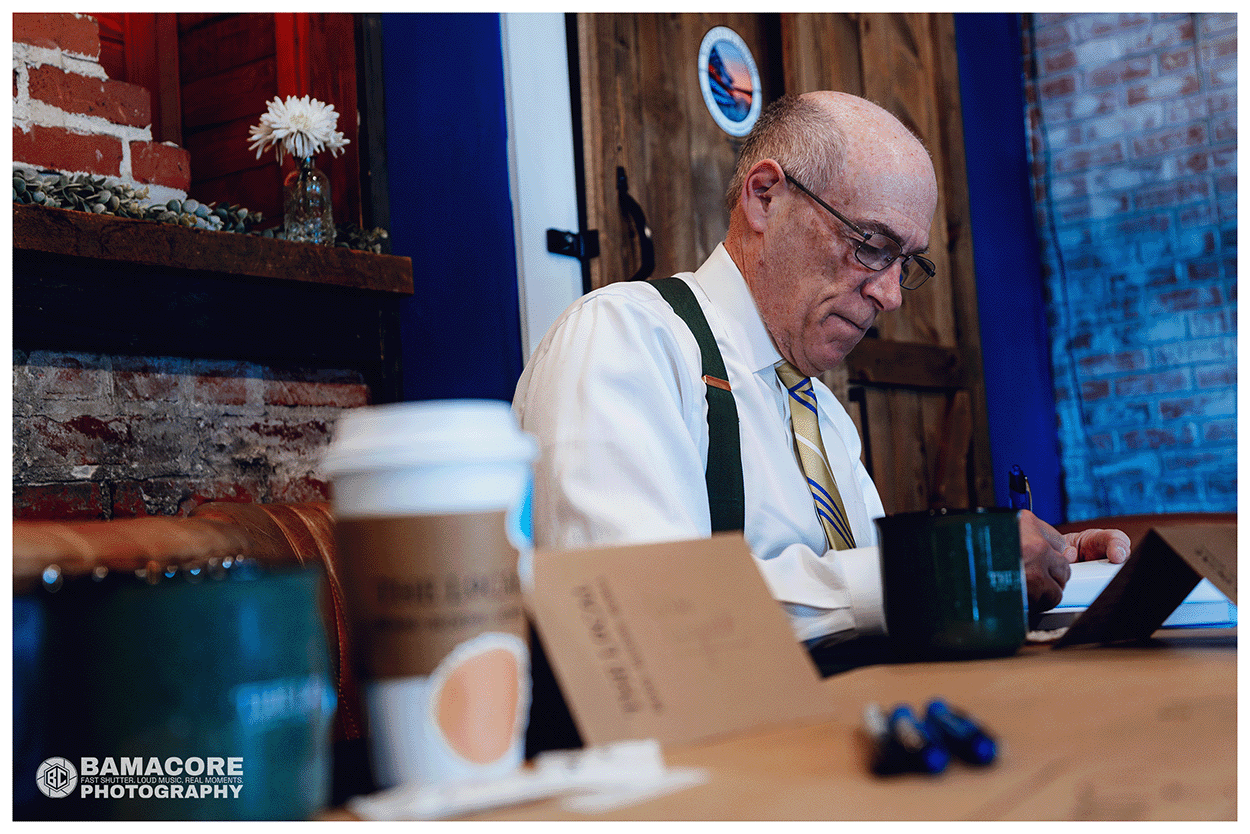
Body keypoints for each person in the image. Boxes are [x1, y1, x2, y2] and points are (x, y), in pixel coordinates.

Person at [513, 91, 1130, 650]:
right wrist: (948, 568)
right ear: (765, 197)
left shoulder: (823, 416)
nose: (890, 295)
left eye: (906, 263)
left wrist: (1029, 568)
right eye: (871, 245)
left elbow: (860, 597)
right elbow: (640, 608)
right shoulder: (626, 338)